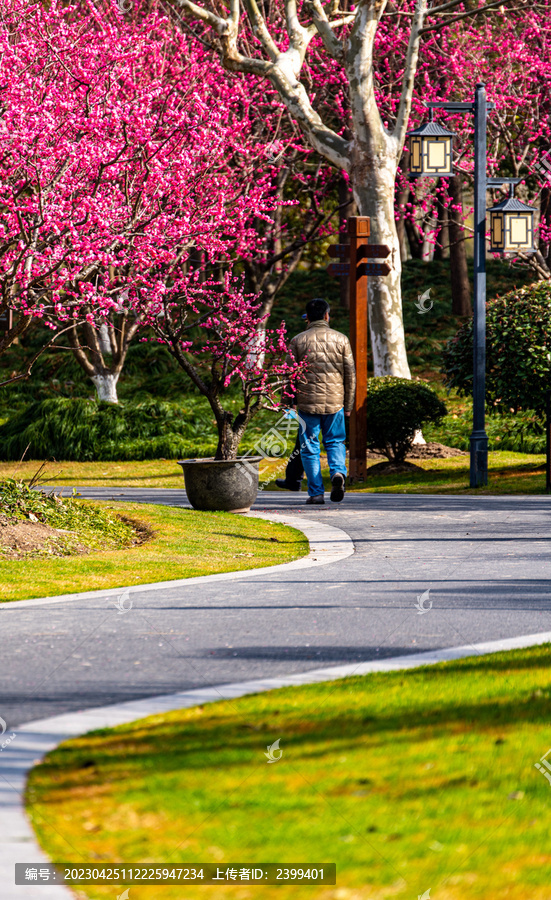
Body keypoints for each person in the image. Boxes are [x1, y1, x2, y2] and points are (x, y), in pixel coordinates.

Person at [286, 298, 356, 504]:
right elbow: (350, 375)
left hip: (307, 402)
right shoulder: (341, 339)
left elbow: (288, 375)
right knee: (335, 441)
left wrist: (289, 401)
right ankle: (337, 473)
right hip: (335, 402)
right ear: (327, 315)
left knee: (309, 446)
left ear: (307, 317)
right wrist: (349, 404)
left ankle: (316, 493)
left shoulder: (297, 340)